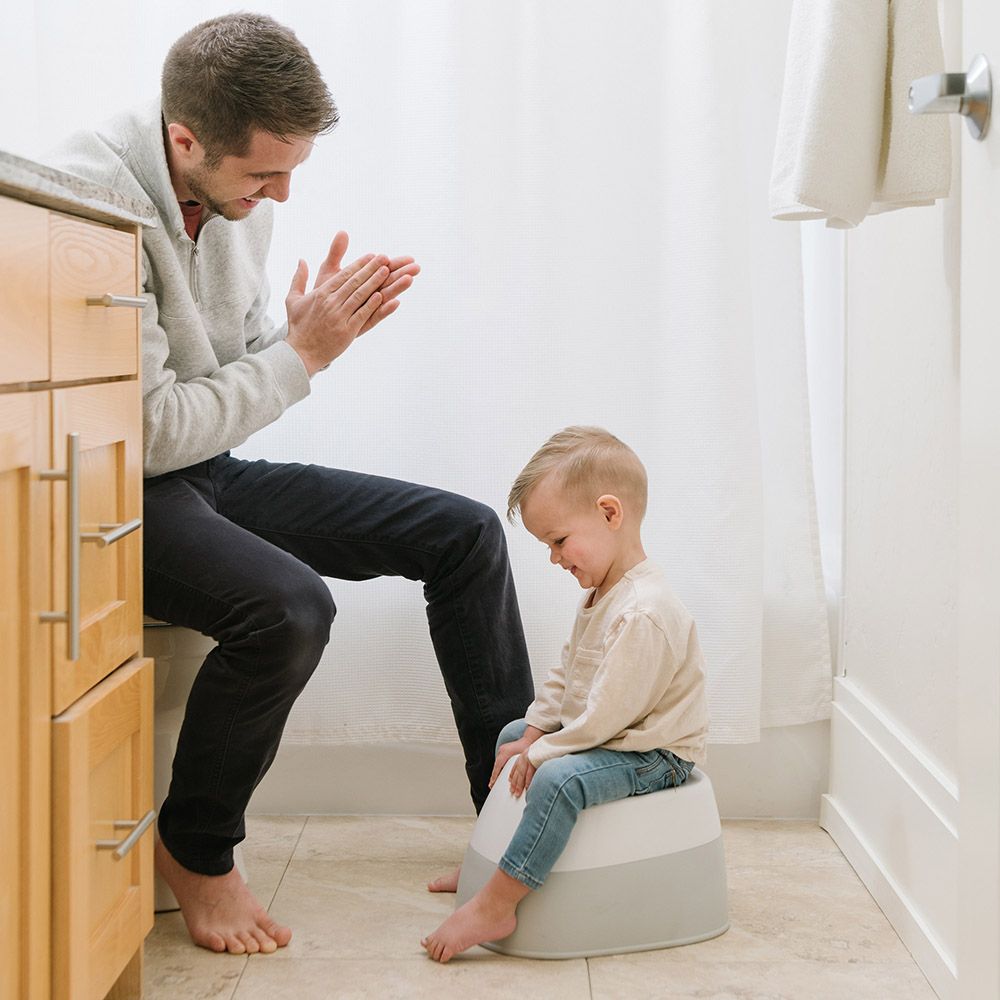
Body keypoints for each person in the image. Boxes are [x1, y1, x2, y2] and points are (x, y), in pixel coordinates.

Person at [46, 13, 534, 957]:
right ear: (184, 139)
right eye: (265, 174)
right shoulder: (88, 201)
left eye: (293, 170)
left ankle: (506, 817)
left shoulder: (236, 201)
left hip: (200, 472)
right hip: (113, 489)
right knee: (290, 609)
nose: (280, 194)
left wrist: (293, 342)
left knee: (465, 533)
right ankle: (196, 851)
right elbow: (143, 433)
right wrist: (301, 358)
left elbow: (218, 389)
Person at [422, 426, 710, 963]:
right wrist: (532, 733)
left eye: (558, 541)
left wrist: (542, 752)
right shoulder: (602, 593)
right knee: (510, 733)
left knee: (556, 777)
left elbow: (606, 717)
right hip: (614, 735)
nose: (555, 558)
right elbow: (566, 679)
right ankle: (497, 855)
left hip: (653, 753)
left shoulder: (645, 611)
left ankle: (498, 901)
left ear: (609, 513)